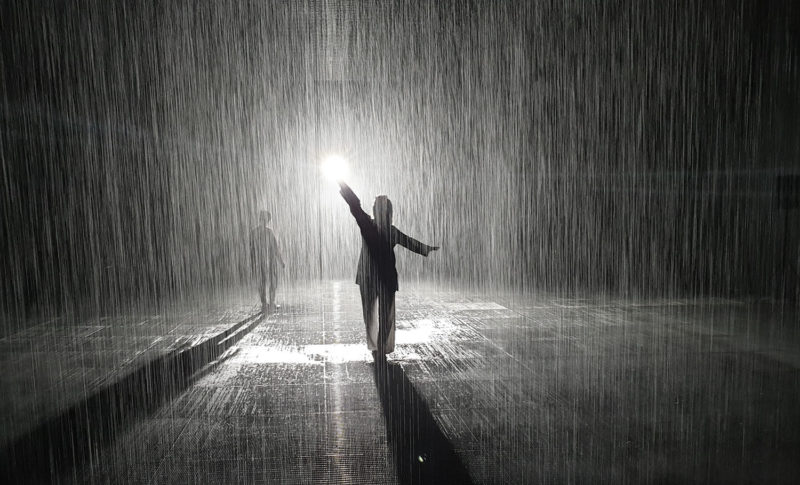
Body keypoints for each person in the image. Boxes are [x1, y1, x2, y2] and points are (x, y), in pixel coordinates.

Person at [338, 181, 439, 358]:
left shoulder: (367, 224)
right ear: (390, 212)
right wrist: (426, 249)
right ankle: (381, 347)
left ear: (375, 211)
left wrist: (343, 185)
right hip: (385, 277)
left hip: (368, 276)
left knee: (369, 313)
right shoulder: (390, 231)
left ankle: (377, 347)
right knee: (385, 315)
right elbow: (411, 243)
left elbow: (355, 205)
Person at [250, 210, 285, 312]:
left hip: (260, 262)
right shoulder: (269, 233)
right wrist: (281, 261)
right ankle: (270, 303)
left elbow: (251, 250)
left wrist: (252, 263)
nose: (267, 221)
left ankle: (265, 304)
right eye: (267, 219)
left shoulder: (254, 232)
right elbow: (275, 249)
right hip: (270, 261)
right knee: (272, 282)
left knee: (262, 282)